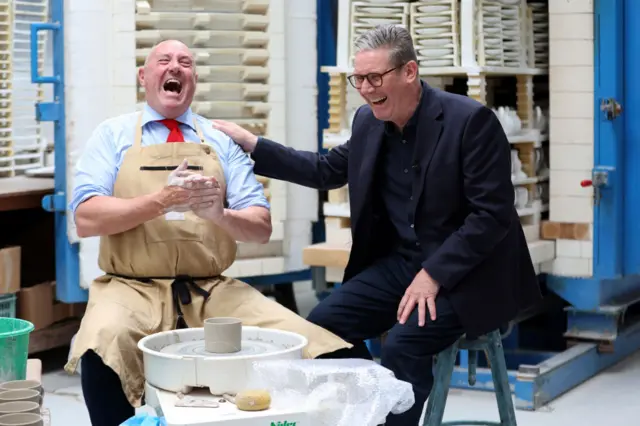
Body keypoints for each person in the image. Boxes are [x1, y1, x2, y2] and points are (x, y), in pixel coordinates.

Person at [211, 24, 542, 425]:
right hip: (402, 264)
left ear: (409, 72)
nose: (365, 89)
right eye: (359, 79)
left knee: (403, 344)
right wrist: (254, 145)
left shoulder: (470, 122)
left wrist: (433, 275)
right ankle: (377, 401)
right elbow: (326, 170)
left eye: (374, 78)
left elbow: (490, 215)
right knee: (323, 327)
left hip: (466, 274)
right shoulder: (368, 122)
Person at [64, 39, 352, 426]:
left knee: (313, 346)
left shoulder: (218, 141)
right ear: (143, 76)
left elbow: (259, 228)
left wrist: (219, 213)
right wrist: (161, 200)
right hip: (130, 286)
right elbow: (86, 217)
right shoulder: (111, 136)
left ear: (194, 80)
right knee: (102, 345)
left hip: (211, 289)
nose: (175, 68)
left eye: (185, 62)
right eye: (163, 60)